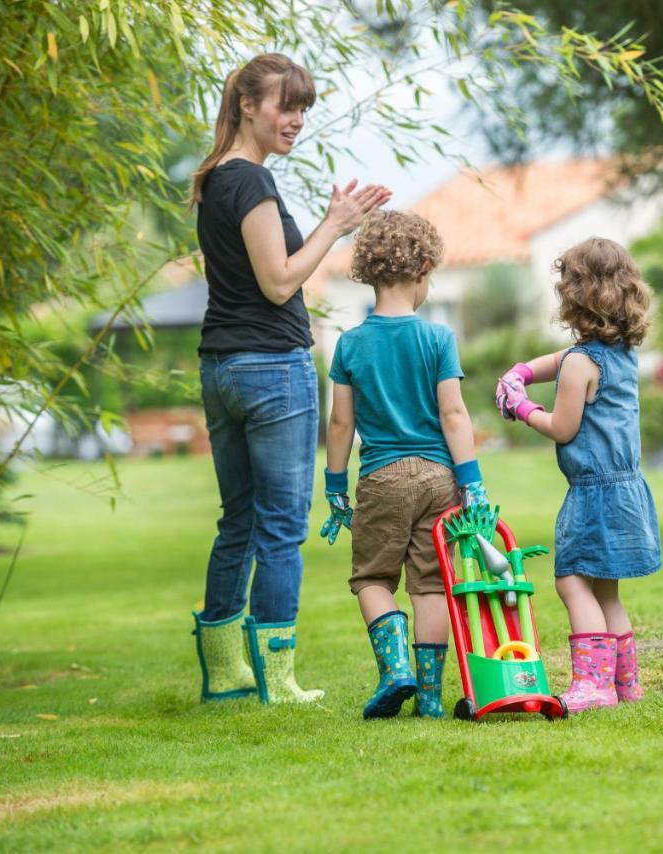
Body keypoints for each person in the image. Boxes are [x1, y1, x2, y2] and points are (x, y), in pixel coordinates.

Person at [189, 53, 391, 705]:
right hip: (271, 370)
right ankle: (277, 677)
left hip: (221, 367)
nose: (296, 119)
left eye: (303, 108)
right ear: (248, 105)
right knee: (278, 526)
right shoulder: (250, 183)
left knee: (239, 521)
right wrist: (335, 226)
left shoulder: (216, 179)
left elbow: (257, 275)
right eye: (285, 105)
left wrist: (330, 223)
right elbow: (279, 282)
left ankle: (225, 672)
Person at [320, 210, 489, 719]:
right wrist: (472, 483)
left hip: (381, 477)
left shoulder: (350, 344)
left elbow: (339, 425)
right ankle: (432, 698)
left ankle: (396, 671)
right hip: (440, 477)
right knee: (433, 584)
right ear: (422, 271)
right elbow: (454, 414)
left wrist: (334, 486)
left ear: (368, 274)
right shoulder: (437, 339)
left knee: (372, 580)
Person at [495, 237, 661, 713]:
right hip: (627, 486)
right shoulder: (620, 354)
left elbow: (563, 428)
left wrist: (521, 406)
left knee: (571, 581)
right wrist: (522, 370)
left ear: (575, 296)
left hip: (593, 493)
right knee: (605, 587)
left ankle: (592, 686)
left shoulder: (579, 364)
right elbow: (559, 361)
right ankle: (625, 683)